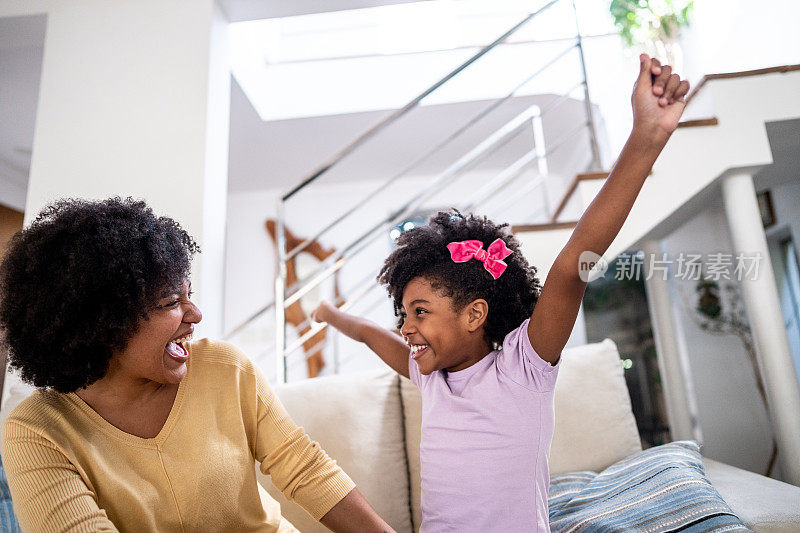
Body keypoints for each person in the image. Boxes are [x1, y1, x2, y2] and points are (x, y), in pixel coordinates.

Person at [311, 54, 690, 532]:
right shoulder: (429, 375)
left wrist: (645, 139)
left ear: (474, 314)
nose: (406, 327)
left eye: (420, 311)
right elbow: (368, 333)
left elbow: (574, 265)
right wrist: (327, 313)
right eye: (404, 313)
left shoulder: (522, 368)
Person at [0, 198, 394, 533]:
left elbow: (304, 468)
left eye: (190, 295)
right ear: (102, 323)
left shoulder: (224, 367)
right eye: (173, 302)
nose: (196, 315)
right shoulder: (36, 431)